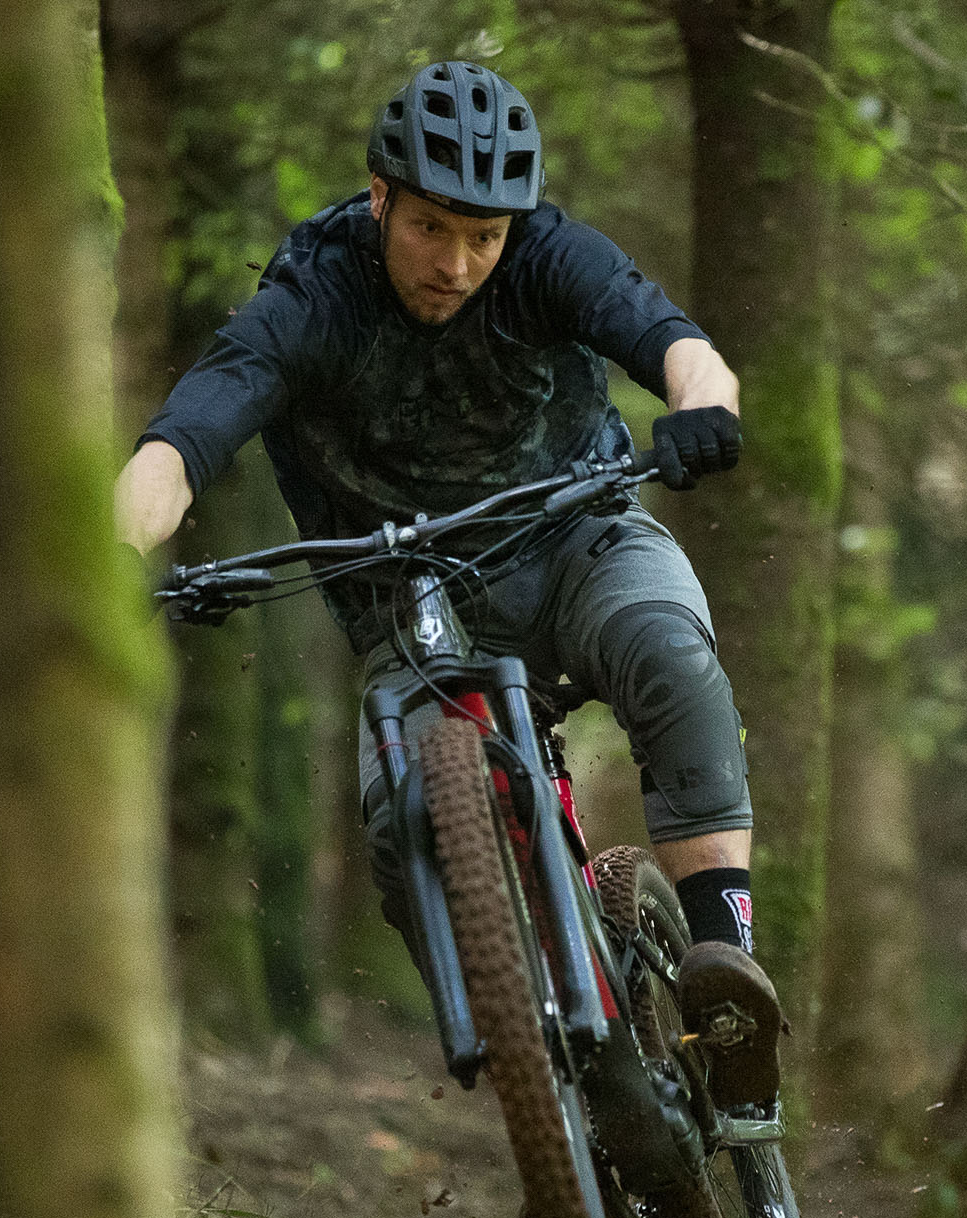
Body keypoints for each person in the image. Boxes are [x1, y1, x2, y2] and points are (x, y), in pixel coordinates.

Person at [112, 60, 782, 1109]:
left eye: (483, 236)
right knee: (401, 812)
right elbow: (185, 438)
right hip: (410, 593)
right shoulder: (312, 294)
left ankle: (727, 979)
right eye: (431, 227)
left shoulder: (549, 253)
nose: (457, 264)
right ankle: (528, 1059)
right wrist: (109, 559)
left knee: (668, 653)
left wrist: (702, 408)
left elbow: (680, 347)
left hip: (579, 535)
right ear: (380, 197)